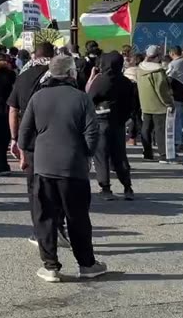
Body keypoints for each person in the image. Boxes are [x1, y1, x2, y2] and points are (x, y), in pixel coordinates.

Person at [18, 55, 106, 282]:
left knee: (45, 217)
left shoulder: (37, 98)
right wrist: (85, 153)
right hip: (73, 167)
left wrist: (33, 151)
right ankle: (87, 265)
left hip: (44, 166)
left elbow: (24, 135)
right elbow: (92, 132)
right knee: (77, 217)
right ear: (71, 73)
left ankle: (50, 267)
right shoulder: (81, 98)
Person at [9, 42, 55, 219]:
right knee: (56, 180)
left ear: (35, 55)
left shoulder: (23, 76)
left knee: (34, 183)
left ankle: (41, 227)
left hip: (30, 136)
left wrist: (14, 138)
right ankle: (57, 222)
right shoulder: (60, 74)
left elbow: (13, 110)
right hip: (55, 133)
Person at [86, 51, 136, 200]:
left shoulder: (100, 81)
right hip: (118, 123)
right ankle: (127, 187)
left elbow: (89, 99)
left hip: (101, 121)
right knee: (119, 155)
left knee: (101, 155)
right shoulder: (126, 82)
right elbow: (131, 105)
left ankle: (106, 188)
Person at [137, 45, 174, 163]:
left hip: (145, 103)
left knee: (146, 128)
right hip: (158, 105)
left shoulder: (140, 68)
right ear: (157, 56)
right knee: (160, 130)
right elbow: (161, 89)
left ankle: (147, 152)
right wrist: (168, 103)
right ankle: (163, 155)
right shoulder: (157, 71)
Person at [166, 46, 183, 152]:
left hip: (176, 93)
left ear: (172, 53)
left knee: (176, 119)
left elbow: (168, 77)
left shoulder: (173, 64)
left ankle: (177, 141)